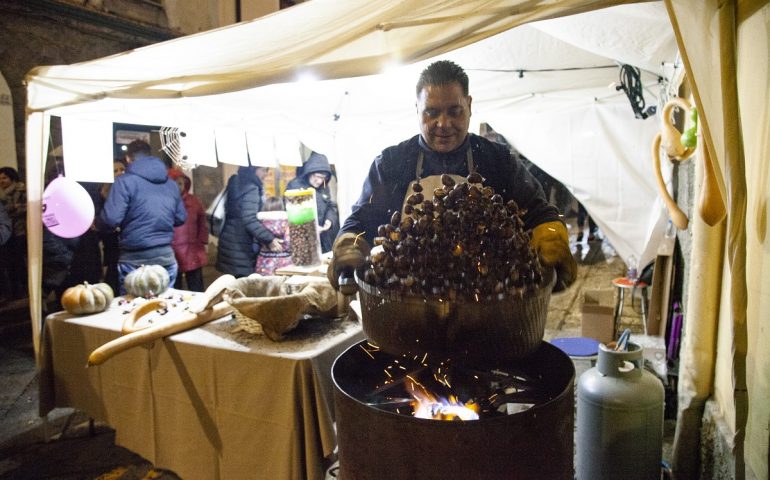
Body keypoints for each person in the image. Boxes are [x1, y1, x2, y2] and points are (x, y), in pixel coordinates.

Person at [329, 60, 576, 291]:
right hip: (410, 299)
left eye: (454, 111)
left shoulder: (498, 160)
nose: (443, 123)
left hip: (487, 298)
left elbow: (537, 211)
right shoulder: (391, 164)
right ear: (417, 110)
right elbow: (362, 221)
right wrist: (349, 243)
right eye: (432, 112)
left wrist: (550, 233)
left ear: (469, 105)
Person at [97, 140, 186, 294]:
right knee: (164, 309)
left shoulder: (123, 182)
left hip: (134, 258)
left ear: (128, 159)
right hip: (165, 256)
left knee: (133, 310)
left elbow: (110, 220)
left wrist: (99, 223)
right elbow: (180, 218)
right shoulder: (171, 184)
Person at [215, 165, 282, 278]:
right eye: (263, 169)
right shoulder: (251, 188)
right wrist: (269, 238)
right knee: (243, 287)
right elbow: (249, 220)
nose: (266, 174)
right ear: (253, 169)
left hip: (229, 241)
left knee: (232, 285)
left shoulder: (235, 182)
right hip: (241, 247)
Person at [286, 152, 340, 253]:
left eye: (323, 178)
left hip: (323, 239)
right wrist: (311, 228)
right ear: (310, 172)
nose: (319, 181)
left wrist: (329, 220)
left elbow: (330, 206)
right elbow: (292, 212)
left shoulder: (324, 187)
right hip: (302, 241)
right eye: (318, 176)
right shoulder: (294, 186)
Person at [168, 169, 208, 291]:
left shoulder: (194, 201)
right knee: (175, 285)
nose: (178, 187)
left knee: (196, 285)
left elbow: (202, 223)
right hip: (172, 249)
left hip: (192, 249)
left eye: (180, 183)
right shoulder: (165, 201)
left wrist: (202, 241)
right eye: (174, 183)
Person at [99, 159, 127, 293]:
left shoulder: (128, 191)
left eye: (122, 170)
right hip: (109, 244)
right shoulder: (102, 194)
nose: (119, 173)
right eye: (115, 171)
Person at [0, 167, 27, 300]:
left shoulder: (21, 190)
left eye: (4, 178)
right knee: (11, 263)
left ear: (12, 178)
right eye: (0, 179)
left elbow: (27, 207)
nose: (2, 181)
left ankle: (25, 289)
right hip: (9, 234)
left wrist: (14, 209)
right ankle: (16, 292)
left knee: (20, 262)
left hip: (20, 230)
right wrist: (13, 208)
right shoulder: (2, 194)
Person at [254, 196, 293, 275]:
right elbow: (289, 243)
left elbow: (255, 243)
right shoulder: (287, 222)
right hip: (285, 264)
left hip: (264, 263)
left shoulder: (259, 223)